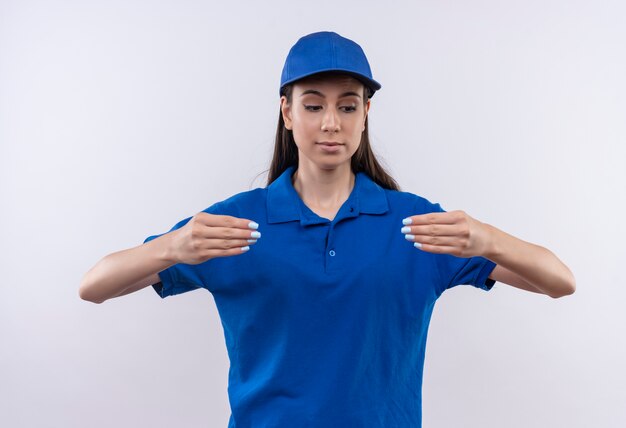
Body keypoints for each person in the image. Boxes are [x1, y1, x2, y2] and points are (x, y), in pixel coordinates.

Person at [79, 31, 576, 428]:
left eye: (347, 105)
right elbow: (94, 286)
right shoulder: (236, 225)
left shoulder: (414, 226)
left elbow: (559, 281)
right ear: (287, 112)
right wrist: (172, 246)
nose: (331, 123)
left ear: (365, 115)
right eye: (314, 105)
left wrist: (487, 238)